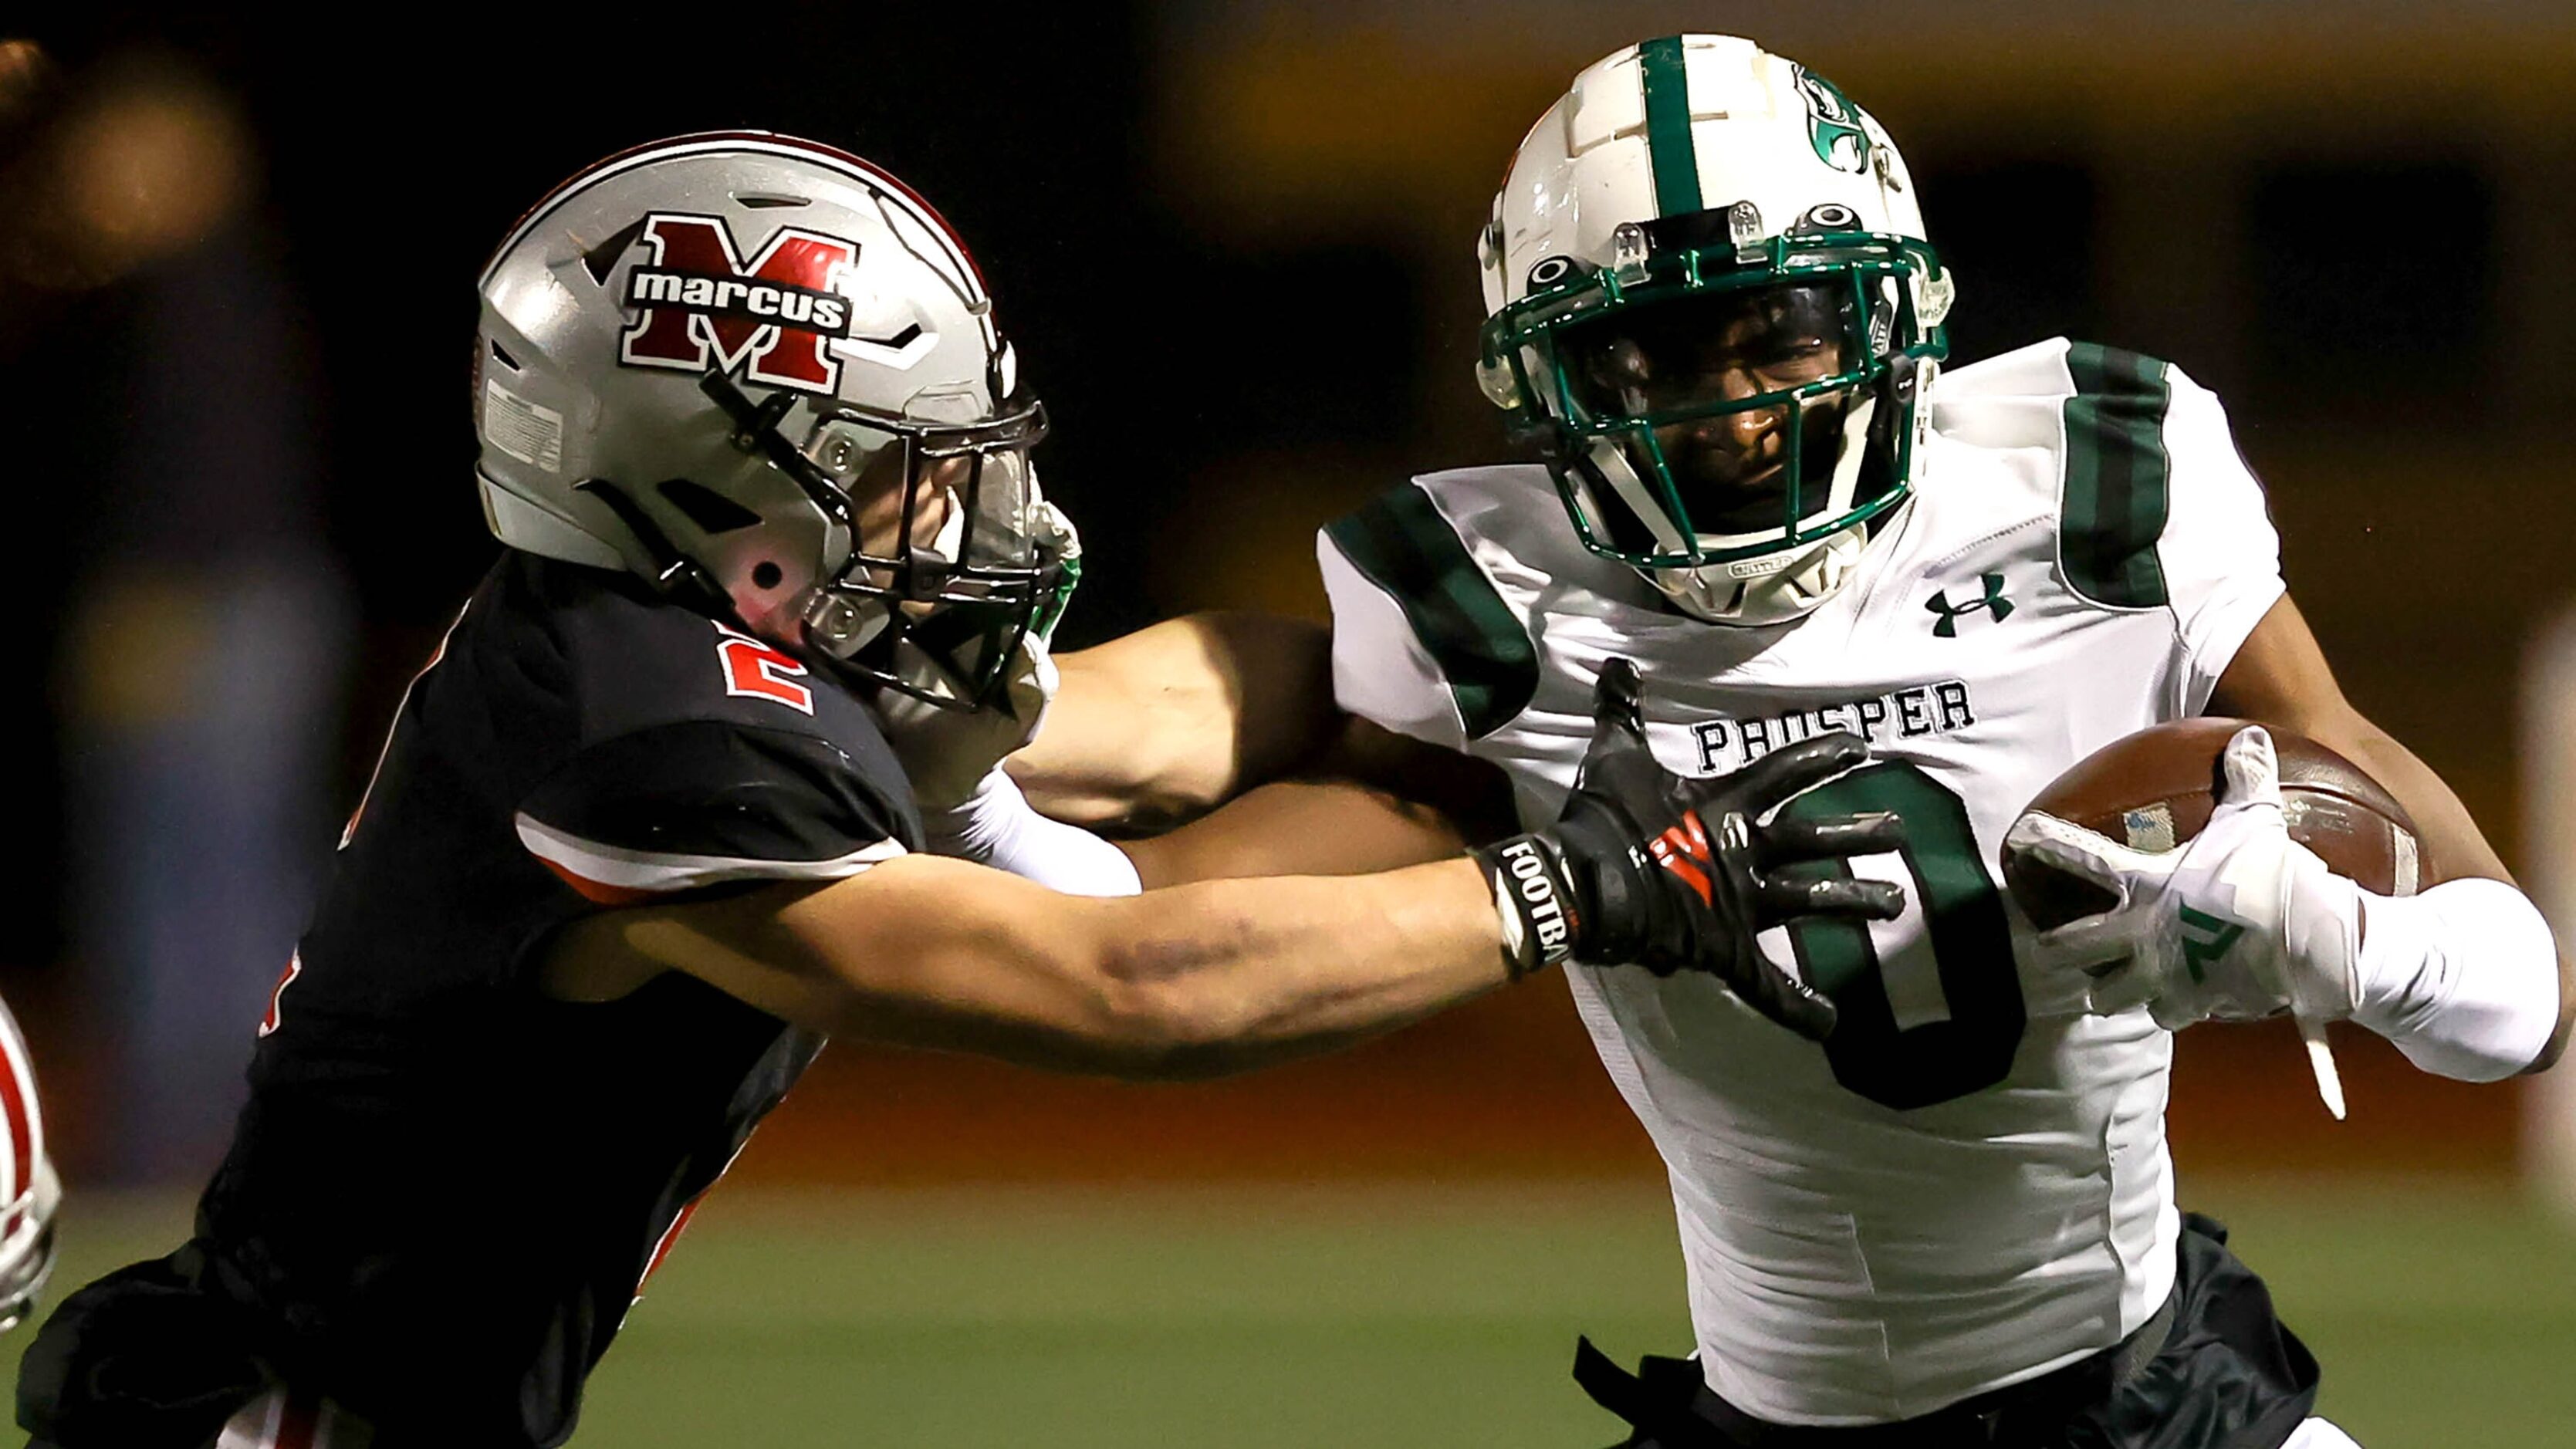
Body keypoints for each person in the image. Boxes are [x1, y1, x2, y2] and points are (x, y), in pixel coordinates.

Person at [12, 130, 1907, 1449]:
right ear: (720, 492)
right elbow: (1123, 989)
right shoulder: (649, 725)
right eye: (912, 468)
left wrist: (1482, 683)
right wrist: (1591, 883)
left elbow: (1131, 804)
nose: (970, 516)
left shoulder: (702, 649)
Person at [996, 36, 2575, 1449]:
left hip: (2155, 1399)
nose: (1736, 413)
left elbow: (2519, 1000)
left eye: (1781, 335)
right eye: (1660, 362)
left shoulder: (2083, 483)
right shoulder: (1504, 611)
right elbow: (1154, 914)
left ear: (1897, 313)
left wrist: (2350, 944)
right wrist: (931, 794)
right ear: (1552, 391)